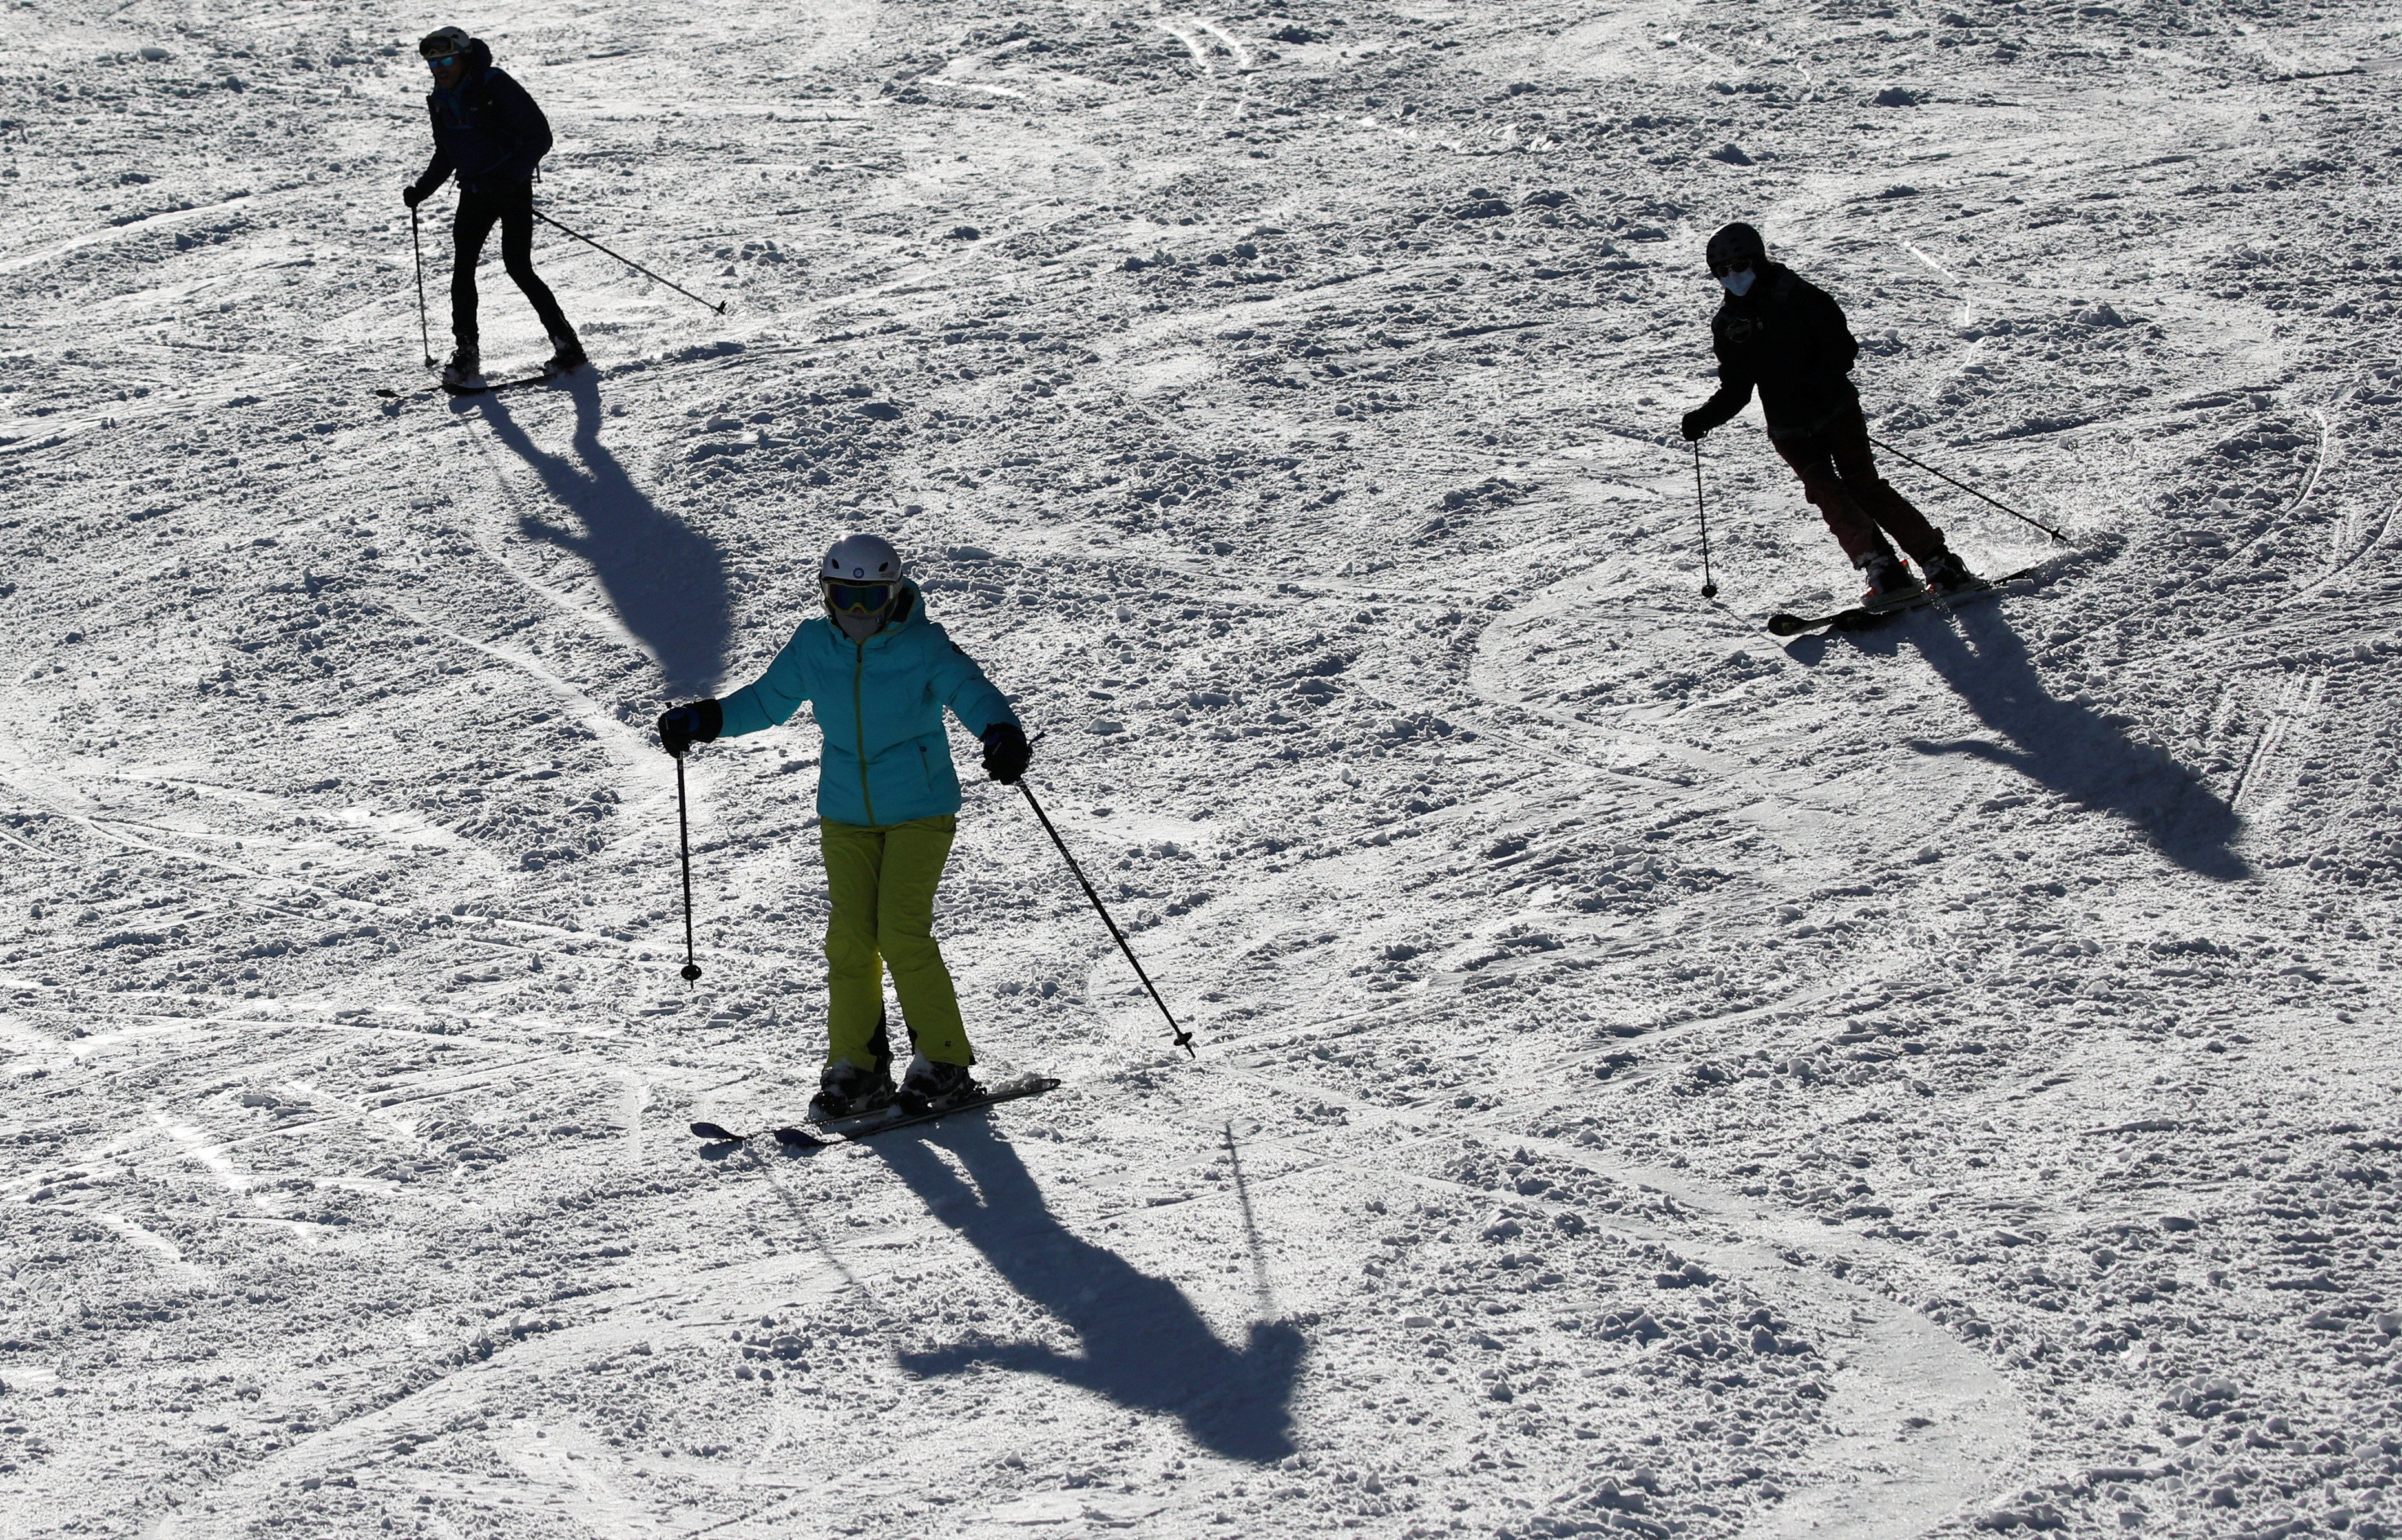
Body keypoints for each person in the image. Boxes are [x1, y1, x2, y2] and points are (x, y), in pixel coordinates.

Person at [656, 534, 1034, 1122]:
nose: (858, 613)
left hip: (920, 809)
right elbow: (768, 701)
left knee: (901, 932)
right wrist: (706, 718)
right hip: (846, 816)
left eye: (872, 598)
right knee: (851, 939)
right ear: (826, 595)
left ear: (895, 594)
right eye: (844, 598)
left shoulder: (924, 646)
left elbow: (971, 690)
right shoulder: (814, 646)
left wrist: (1001, 733)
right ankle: (858, 1068)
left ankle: (945, 1063)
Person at [1679, 222, 1976, 608]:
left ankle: (1940, 562)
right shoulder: (1728, 324)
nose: (1731, 277)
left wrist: (1816, 383)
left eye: (1739, 266)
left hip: (1834, 409)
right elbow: (1737, 388)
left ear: (1756, 260)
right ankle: (1884, 568)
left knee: (1862, 485)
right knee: (1827, 493)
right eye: (1721, 272)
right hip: (1788, 427)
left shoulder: (1800, 296)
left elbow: (1842, 348)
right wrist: (1705, 417)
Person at [401, 26, 585, 386]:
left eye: (447, 59)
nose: (440, 68)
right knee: (463, 268)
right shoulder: (440, 98)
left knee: (518, 266)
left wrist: (510, 179)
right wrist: (423, 190)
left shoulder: (494, 84)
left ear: (465, 57)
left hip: (509, 188)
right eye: (434, 62)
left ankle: (568, 347)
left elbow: (538, 136)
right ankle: (466, 353)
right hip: (474, 191)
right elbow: (448, 151)